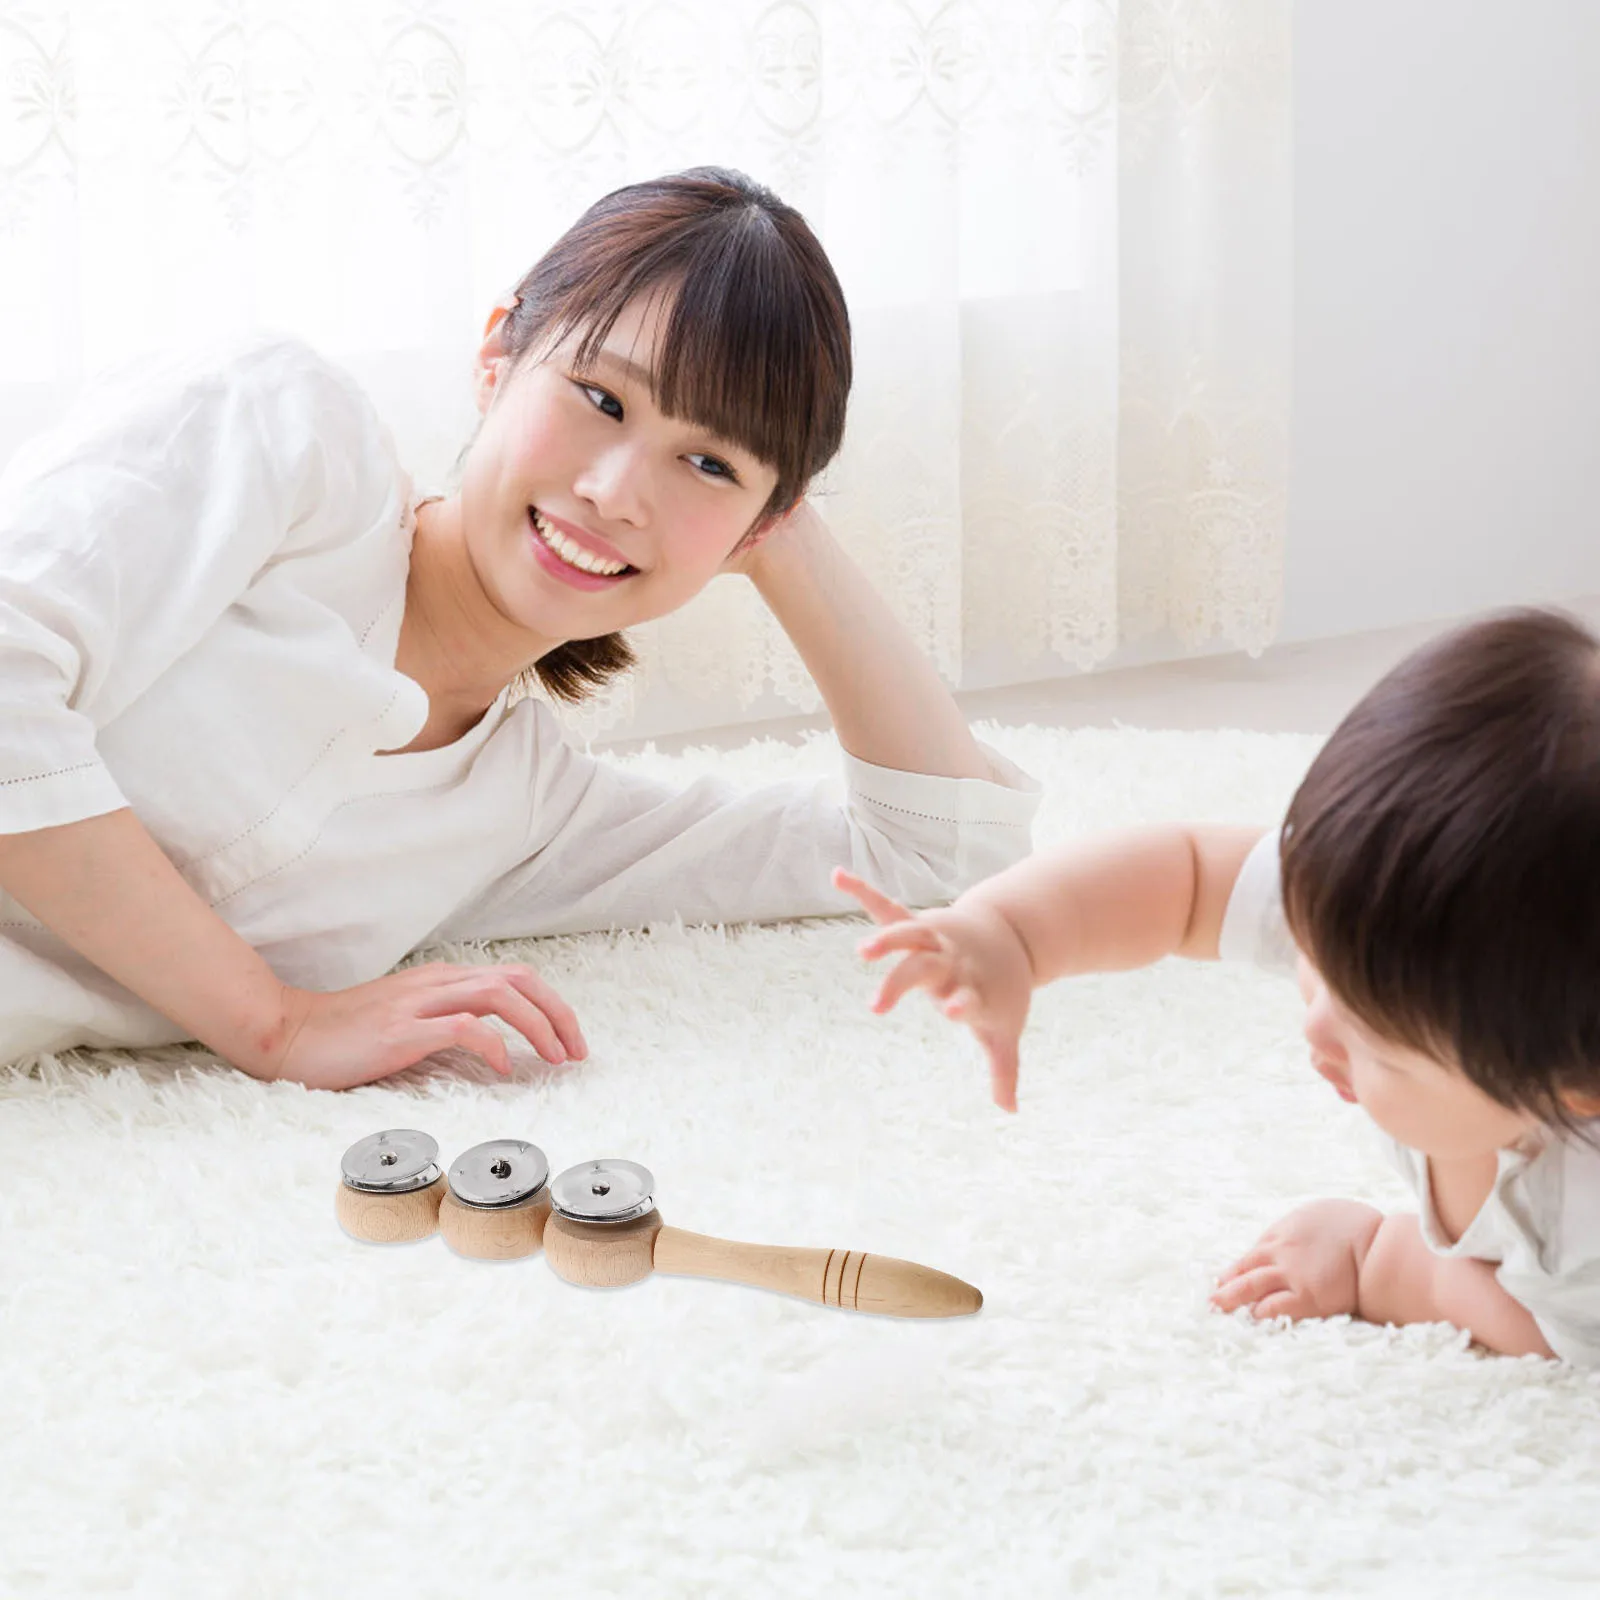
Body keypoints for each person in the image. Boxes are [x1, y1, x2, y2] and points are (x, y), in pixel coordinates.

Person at [0, 167, 1038, 1090]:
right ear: (499, 353)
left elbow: (934, 854)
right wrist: (274, 1022)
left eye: (706, 463)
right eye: (600, 398)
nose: (614, 492)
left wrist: (776, 532)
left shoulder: (523, 814)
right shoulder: (289, 435)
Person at [838, 608, 1600, 1361]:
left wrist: (1384, 1260)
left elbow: (1550, 1333)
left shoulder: (1580, 1229)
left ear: (1576, 1088)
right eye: (1316, 962)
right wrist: (1010, 935)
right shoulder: (1384, 912)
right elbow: (1193, 873)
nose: (1317, 1028)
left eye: (1384, 1046)